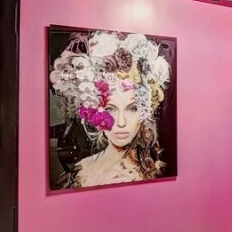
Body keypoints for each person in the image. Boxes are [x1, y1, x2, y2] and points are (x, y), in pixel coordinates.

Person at [49, 30, 172, 188]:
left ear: (146, 109)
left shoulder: (161, 169)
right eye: (110, 109)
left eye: (132, 108)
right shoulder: (81, 174)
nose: (121, 122)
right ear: (94, 111)